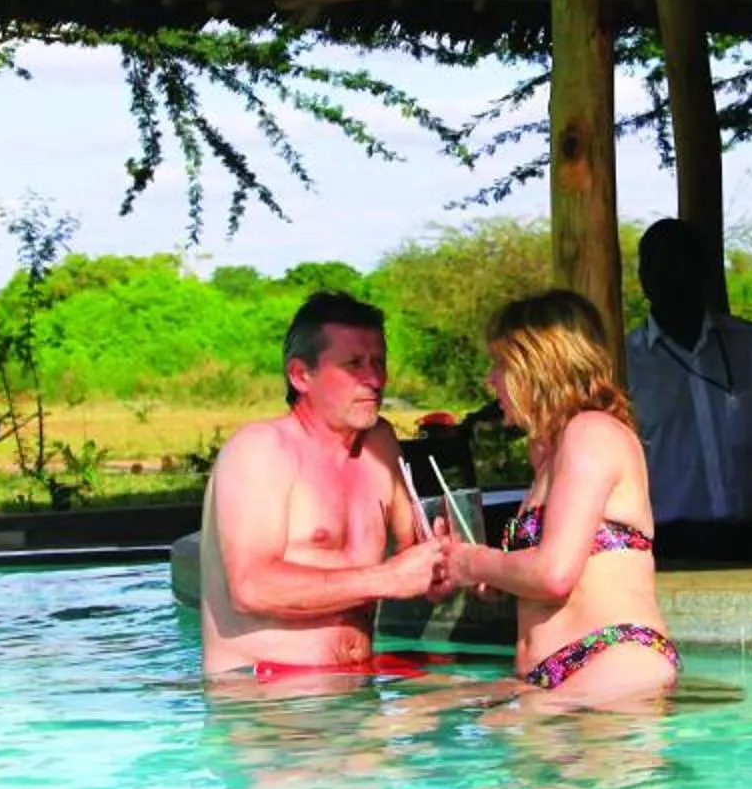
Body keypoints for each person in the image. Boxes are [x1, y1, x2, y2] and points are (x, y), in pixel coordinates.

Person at [439, 290, 681, 703]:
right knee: (425, 709)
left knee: (493, 730)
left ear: (539, 366)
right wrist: (497, 575)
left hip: (611, 656)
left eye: (501, 363)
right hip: (557, 672)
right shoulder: (550, 452)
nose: (490, 379)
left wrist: (473, 561)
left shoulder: (591, 433)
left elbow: (554, 574)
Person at [198, 290, 446, 679]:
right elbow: (251, 588)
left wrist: (444, 564)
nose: (374, 379)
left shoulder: (379, 443)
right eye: (353, 365)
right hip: (268, 698)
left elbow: (412, 547)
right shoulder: (261, 451)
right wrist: (387, 579)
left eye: (378, 362)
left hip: (358, 681)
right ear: (301, 375)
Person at [623, 217, 752, 562]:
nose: (665, 275)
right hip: (665, 547)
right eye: (653, 263)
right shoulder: (624, 362)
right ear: (642, 277)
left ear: (701, 270)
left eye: (677, 262)